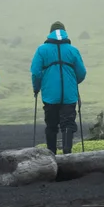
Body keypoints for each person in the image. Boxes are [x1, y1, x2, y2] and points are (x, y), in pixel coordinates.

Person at [29, 20, 87, 155]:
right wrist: (74, 82)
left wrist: (36, 88)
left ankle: (51, 154)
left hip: (50, 95)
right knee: (68, 123)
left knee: (51, 125)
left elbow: (36, 73)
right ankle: (67, 152)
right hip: (69, 95)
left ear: (50, 33)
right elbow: (82, 72)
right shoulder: (73, 50)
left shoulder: (42, 50)